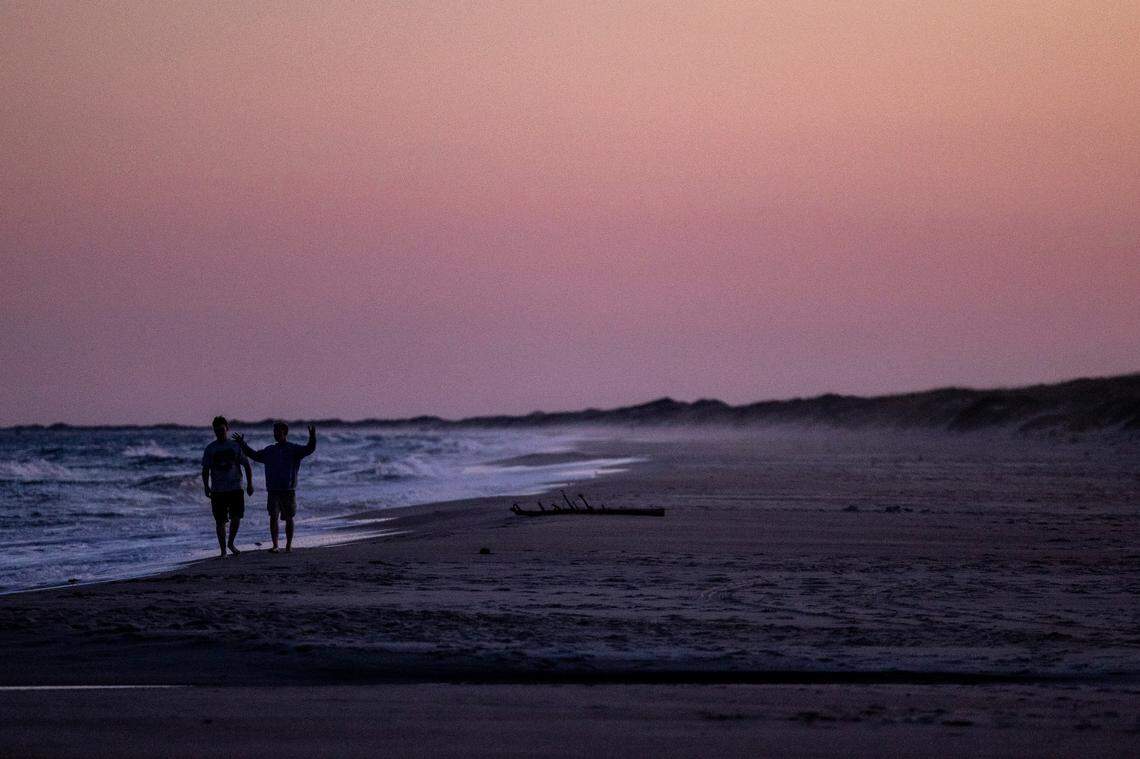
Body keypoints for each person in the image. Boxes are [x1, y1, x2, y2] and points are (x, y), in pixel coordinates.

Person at [232, 422, 316, 553]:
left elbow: (309, 449)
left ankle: (288, 545)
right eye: (274, 431)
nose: (275, 434)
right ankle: (275, 545)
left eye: (278, 431)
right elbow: (253, 455)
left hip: (288, 489)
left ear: (285, 432)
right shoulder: (270, 450)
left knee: (289, 518)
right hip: (273, 489)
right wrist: (242, 444)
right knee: (273, 517)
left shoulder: (294, 449)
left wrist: (312, 437)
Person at [201, 416, 254, 557]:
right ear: (214, 431)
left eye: (222, 430)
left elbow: (247, 465)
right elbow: (205, 470)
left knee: (236, 518)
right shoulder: (210, 449)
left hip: (235, 487)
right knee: (220, 521)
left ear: (227, 429)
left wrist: (250, 484)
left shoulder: (235, 446)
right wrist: (206, 486)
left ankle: (231, 543)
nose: (220, 433)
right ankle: (223, 550)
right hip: (218, 490)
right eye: (217, 431)